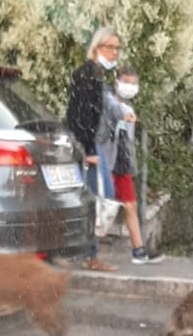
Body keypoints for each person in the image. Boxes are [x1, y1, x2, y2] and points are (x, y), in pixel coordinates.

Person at [65, 27, 121, 272]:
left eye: (116, 48)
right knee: (98, 198)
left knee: (92, 199)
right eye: (109, 47)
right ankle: (89, 255)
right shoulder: (90, 75)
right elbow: (83, 114)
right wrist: (88, 149)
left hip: (81, 141)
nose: (113, 53)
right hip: (86, 143)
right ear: (97, 47)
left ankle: (86, 253)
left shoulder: (90, 73)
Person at [98, 65, 163, 264]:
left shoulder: (128, 108)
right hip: (104, 162)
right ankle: (87, 252)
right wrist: (125, 112)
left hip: (122, 164)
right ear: (116, 81)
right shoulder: (106, 100)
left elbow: (127, 139)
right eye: (126, 82)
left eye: (134, 83)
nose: (130, 87)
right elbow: (115, 109)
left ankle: (139, 251)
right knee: (101, 209)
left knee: (130, 206)